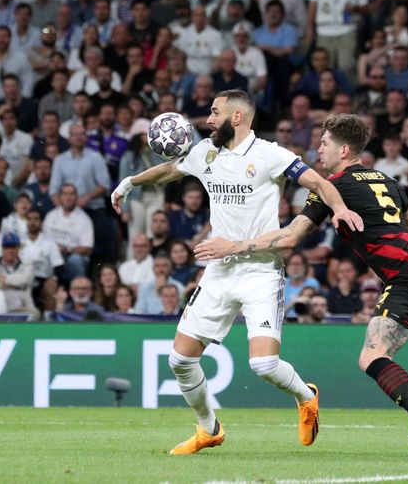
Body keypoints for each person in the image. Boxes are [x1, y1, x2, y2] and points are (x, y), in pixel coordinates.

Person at [198, 114, 408, 461]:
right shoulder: (388, 181)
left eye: (324, 143)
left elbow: (291, 236)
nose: (319, 148)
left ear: (343, 150)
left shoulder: (333, 186)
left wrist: (232, 246)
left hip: (406, 278)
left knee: (372, 355)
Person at [111, 89, 362, 454]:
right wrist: (131, 182)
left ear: (237, 117)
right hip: (218, 272)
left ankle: (307, 396)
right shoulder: (205, 153)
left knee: (263, 364)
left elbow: (321, 183)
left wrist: (338, 208)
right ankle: (208, 428)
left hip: (260, 272)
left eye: (214, 113)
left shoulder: (270, 155)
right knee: (180, 359)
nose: (208, 120)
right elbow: (170, 170)